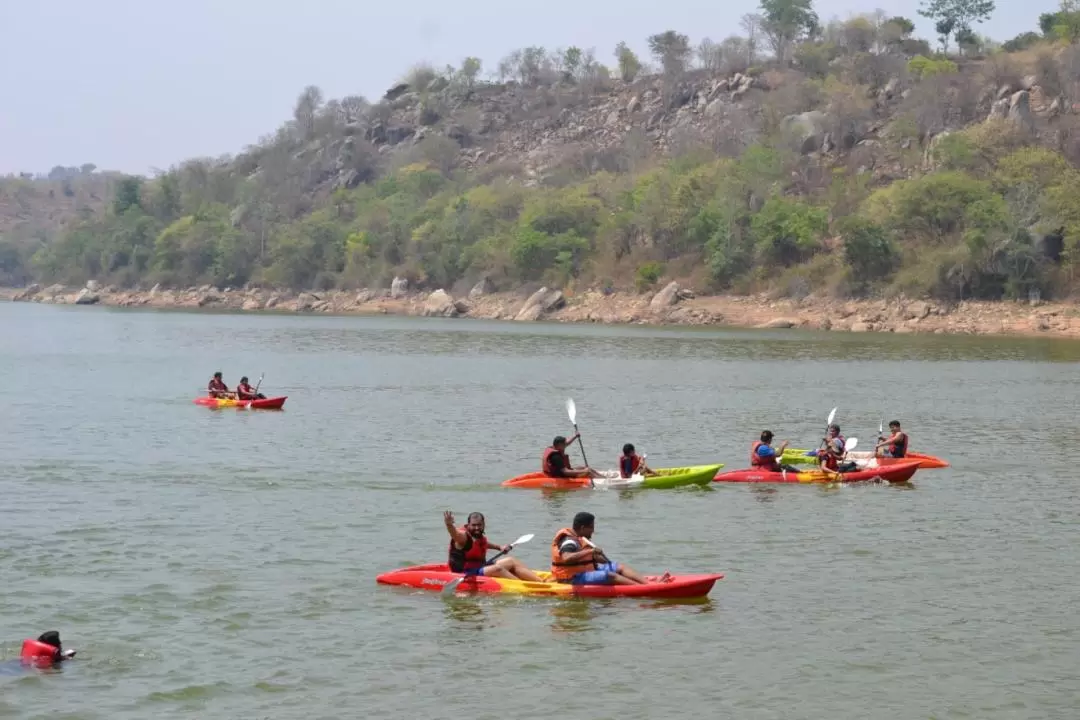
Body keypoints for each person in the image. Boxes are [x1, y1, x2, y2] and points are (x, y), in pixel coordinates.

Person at [551, 512, 670, 585]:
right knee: (609, 575)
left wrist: (597, 558)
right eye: (591, 527)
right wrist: (591, 551)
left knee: (619, 567)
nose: (593, 530)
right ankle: (644, 588)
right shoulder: (569, 541)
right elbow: (567, 558)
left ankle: (648, 583)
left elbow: (585, 559)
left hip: (583, 572)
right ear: (582, 528)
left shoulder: (580, 537)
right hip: (571, 579)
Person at [444, 511, 551, 582]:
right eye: (474, 525)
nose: (477, 528)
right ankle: (525, 587)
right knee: (498, 568)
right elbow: (455, 535)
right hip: (465, 573)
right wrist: (449, 525)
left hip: (480, 567)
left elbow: (483, 544)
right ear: (468, 525)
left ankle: (541, 582)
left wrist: (499, 547)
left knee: (511, 561)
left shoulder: (478, 536)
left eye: (479, 525)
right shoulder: (463, 537)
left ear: (484, 525)